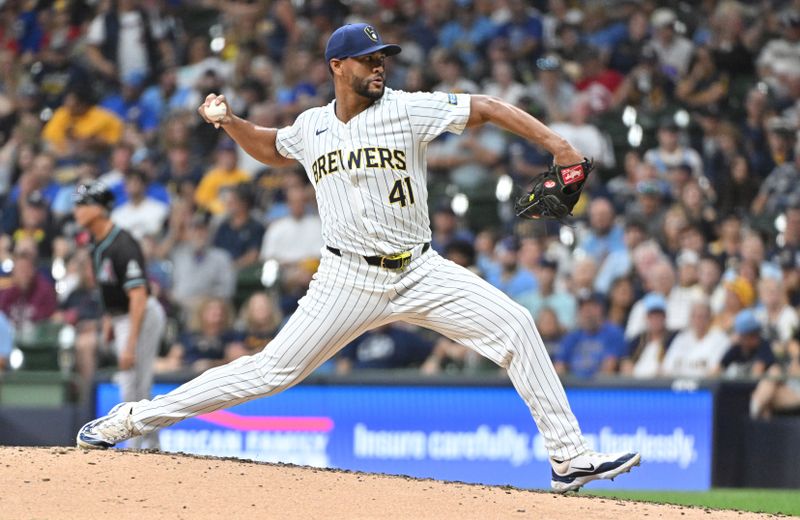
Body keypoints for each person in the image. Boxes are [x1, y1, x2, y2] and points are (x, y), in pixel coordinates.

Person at [76, 23, 639, 492]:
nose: (380, 66)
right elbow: (270, 146)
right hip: (345, 277)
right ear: (337, 66)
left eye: (384, 58)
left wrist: (559, 146)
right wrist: (229, 123)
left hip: (420, 269)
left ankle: (569, 459)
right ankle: (130, 419)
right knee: (269, 372)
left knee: (516, 323)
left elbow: (487, 108)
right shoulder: (312, 126)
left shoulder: (409, 110)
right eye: (369, 59)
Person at [72, 181, 166, 449]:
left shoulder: (122, 243)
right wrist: (109, 319)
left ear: (101, 209)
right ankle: (146, 445)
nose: (78, 210)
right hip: (121, 315)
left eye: (84, 204)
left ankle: (141, 447)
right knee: (132, 383)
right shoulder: (97, 242)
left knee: (135, 383)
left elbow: (138, 294)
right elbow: (108, 287)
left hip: (141, 313)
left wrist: (129, 343)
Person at [554, 291, 624, 379]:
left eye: (591, 307)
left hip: (599, 388)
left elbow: (609, 367)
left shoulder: (613, 333)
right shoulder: (573, 336)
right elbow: (559, 364)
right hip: (573, 386)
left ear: (601, 309)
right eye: (583, 308)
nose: (587, 312)